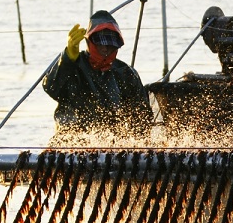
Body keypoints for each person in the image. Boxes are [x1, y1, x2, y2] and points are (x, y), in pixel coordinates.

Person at [43, 10, 153, 138]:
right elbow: (51, 88)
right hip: (70, 141)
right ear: (89, 42)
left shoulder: (126, 73)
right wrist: (67, 58)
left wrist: (135, 144)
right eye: (100, 43)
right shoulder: (73, 66)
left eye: (110, 44)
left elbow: (142, 116)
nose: (105, 48)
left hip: (112, 143)